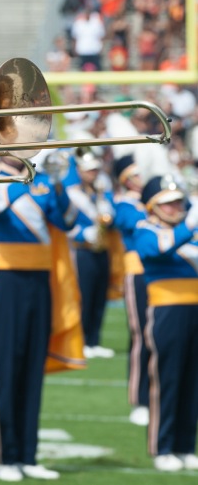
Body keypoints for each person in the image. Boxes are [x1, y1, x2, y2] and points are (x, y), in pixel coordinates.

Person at [0, 150, 79, 482]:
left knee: (33, 368)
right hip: (7, 281)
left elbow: (68, 222)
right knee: (5, 368)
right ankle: (6, 456)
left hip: (40, 282)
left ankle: (28, 455)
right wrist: (29, 179)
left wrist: (58, 183)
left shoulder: (43, 182)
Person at [134, 175, 198, 472]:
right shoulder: (145, 229)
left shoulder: (189, 231)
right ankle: (163, 446)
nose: (176, 207)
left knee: (192, 382)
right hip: (167, 311)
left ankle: (186, 446)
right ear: (152, 206)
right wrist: (190, 224)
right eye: (168, 203)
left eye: (178, 202)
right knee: (168, 379)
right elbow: (156, 250)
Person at [65, 147, 116, 359]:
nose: (93, 173)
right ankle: (82, 340)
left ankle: (94, 340)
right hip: (82, 251)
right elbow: (65, 224)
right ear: (79, 171)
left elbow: (112, 216)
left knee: (99, 296)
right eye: (89, 170)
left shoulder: (101, 192)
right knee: (84, 296)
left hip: (102, 249)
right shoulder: (72, 194)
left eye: (95, 170)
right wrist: (82, 234)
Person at [112, 154, 149, 427]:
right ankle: (140, 398)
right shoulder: (126, 204)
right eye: (136, 174)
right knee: (142, 336)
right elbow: (135, 226)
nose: (142, 178)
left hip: (167, 275)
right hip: (137, 272)